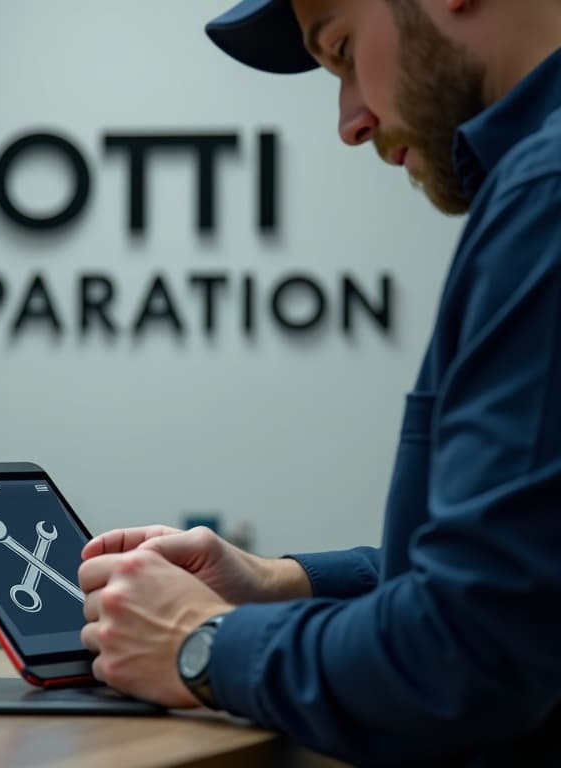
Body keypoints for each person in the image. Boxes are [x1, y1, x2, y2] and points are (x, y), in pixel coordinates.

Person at [77, 1, 561, 765]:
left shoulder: (546, 193)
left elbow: (471, 654)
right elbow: (532, 572)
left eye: (340, 50)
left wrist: (198, 643)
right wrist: (283, 583)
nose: (349, 122)